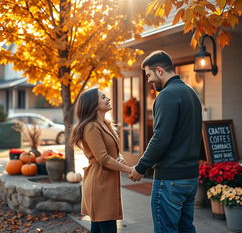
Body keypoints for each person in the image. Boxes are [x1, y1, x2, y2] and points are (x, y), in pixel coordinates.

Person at [128, 50, 202, 233]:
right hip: (190, 177)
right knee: (186, 229)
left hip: (171, 180)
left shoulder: (167, 95)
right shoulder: (191, 93)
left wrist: (140, 167)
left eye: (149, 75)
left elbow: (160, 138)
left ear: (159, 70)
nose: (148, 81)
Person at [70, 88, 131, 233]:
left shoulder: (106, 124)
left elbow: (113, 151)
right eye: (103, 97)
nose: (108, 98)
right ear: (94, 104)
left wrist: (120, 158)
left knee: (98, 228)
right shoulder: (91, 127)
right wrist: (130, 170)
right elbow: (103, 158)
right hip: (99, 185)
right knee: (107, 227)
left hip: (106, 183)